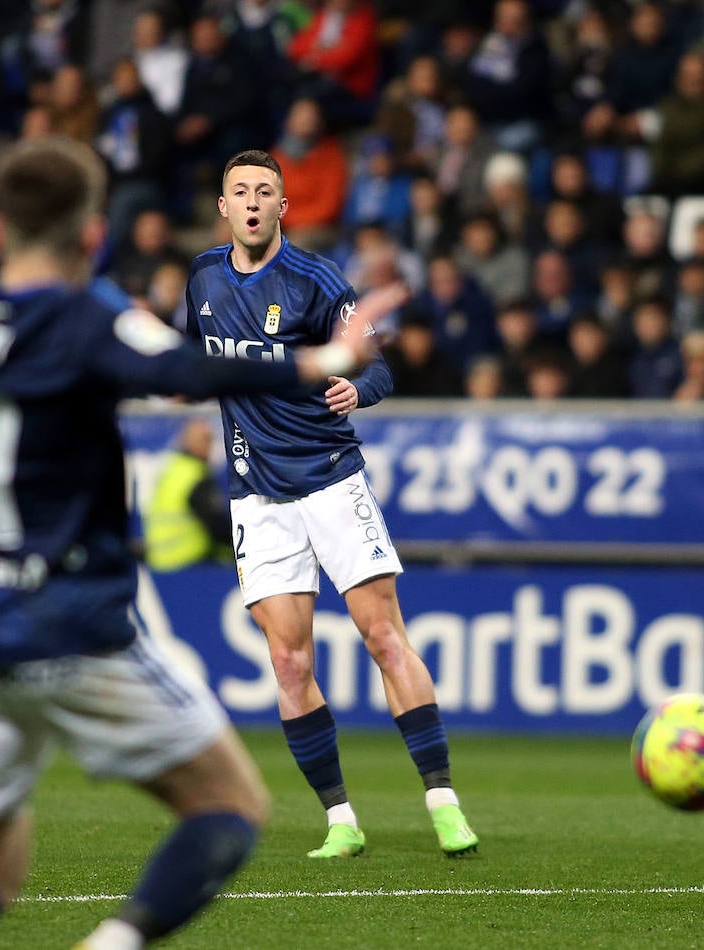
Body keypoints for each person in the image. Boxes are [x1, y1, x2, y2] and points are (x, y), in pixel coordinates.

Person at [0, 137, 398, 950]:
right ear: (93, 234)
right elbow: (191, 371)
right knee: (233, 808)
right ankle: (117, 942)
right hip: (75, 630)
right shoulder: (86, 315)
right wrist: (328, 359)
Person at [185, 149, 478, 860]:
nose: (252, 201)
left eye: (265, 191)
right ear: (224, 208)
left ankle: (443, 802)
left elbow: (376, 364)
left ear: (283, 207)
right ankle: (341, 819)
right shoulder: (201, 280)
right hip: (257, 494)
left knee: (383, 637)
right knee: (289, 663)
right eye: (240, 192)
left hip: (330, 479)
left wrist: (358, 389)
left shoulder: (316, 281)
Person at [143, 416, 232, 572]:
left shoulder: (172, 469)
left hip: (161, 560)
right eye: (206, 440)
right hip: (189, 560)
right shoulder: (194, 476)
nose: (210, 446)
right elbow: (216, 525)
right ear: (190, 441)